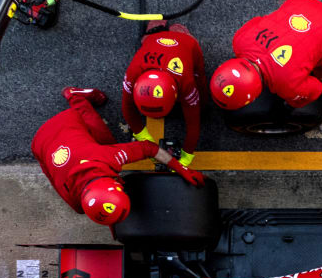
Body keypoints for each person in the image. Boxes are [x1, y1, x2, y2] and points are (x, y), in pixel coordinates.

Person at [32, 87, 203, 227]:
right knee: (100, 143)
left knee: (106, 140)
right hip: (39, 145)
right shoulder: (76, 202)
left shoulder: (107, 156)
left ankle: (75, 96)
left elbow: (149, 148)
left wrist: (181, 168)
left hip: (60, 127)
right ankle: (74, 97)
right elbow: (50, 174)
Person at [210, 0, 322, 110]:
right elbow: (258, 21)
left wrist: (294, 99)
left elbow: (317, 88)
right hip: (300, 3)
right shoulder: (239, 41)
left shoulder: (288, 86)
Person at [121, 25, 208, 164]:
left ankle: (164, 29)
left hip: (185, 43)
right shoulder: (132, 73)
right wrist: (146, 140)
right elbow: (127, 108)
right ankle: (157, 29)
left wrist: (187, 157)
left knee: (200, 78)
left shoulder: (186, 81)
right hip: (153, 40)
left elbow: (194, 122)